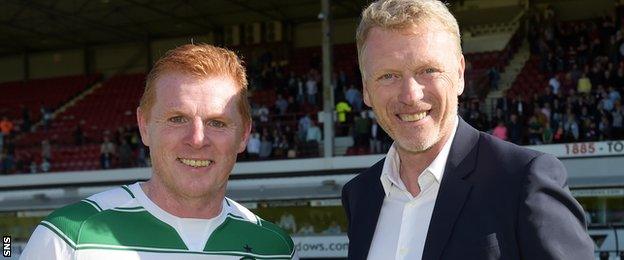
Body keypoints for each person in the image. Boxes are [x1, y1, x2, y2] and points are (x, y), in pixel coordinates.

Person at [341, 1, 593, 260]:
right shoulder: (359, 195)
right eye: (388, 76)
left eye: (428, 70)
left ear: (460, 74)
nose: (410, 95)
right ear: (366, 90)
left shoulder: (523, 179)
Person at [21, 44, 296, 259]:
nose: (198, 139)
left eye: (217, 122)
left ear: (244, 135)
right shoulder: (68, 238)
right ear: (144, 126)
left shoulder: (275, 248)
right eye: (177, 119)